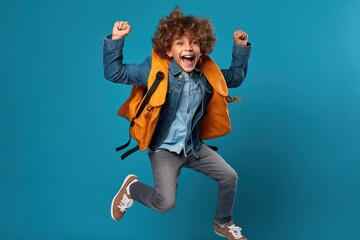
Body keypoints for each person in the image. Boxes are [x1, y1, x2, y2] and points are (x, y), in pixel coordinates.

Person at [103, 7, 251, 240]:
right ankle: (131, 188)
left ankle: (223, 223)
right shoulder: (154, 71)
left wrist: (240, 49)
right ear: (169, 50)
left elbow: (235, 77)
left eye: (194, 43)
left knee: (229, 176)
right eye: (180, 43)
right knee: (165, 204)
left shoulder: (207, 76)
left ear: (201, 48)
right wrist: (116, 41)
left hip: (192, 147)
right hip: (164, 149)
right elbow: (114, 73)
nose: (188, 48)